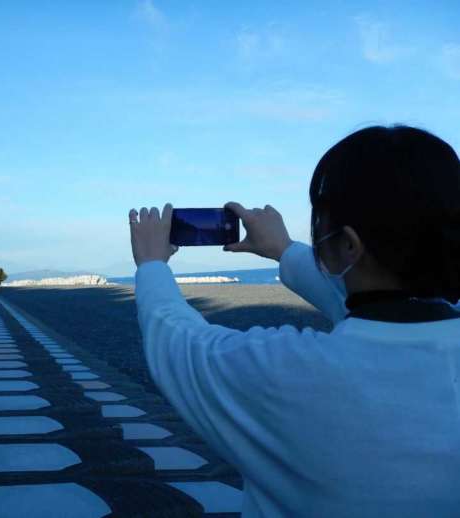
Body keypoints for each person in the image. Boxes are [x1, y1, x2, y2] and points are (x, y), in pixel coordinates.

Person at [128, 125, 460, 518]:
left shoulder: (289, 371)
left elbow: (176, 340)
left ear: (347, 246)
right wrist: (284, 250)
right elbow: (382, 308)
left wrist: (151, 265)